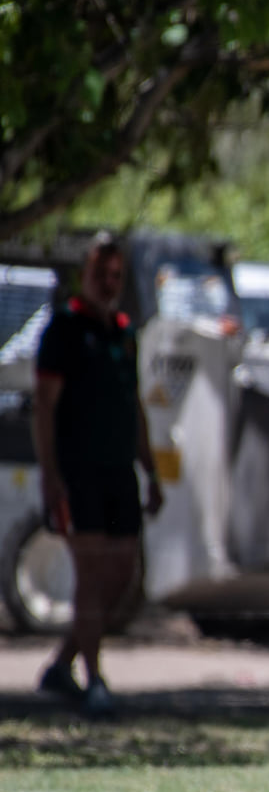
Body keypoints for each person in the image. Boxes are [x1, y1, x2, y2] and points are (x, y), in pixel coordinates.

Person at [31, 235, 164, 716]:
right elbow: (44, 407)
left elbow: (136, 407)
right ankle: (94, 680)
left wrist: (150, 469)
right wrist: (50, 474)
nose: (108, 284)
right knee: (90, 575)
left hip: (119, 471)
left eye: (116, 277)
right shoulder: (64, 330)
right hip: (78, 470)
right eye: (100, 274)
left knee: (122, 575)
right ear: (83, 274)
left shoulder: (123, 334)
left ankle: (61, 665)